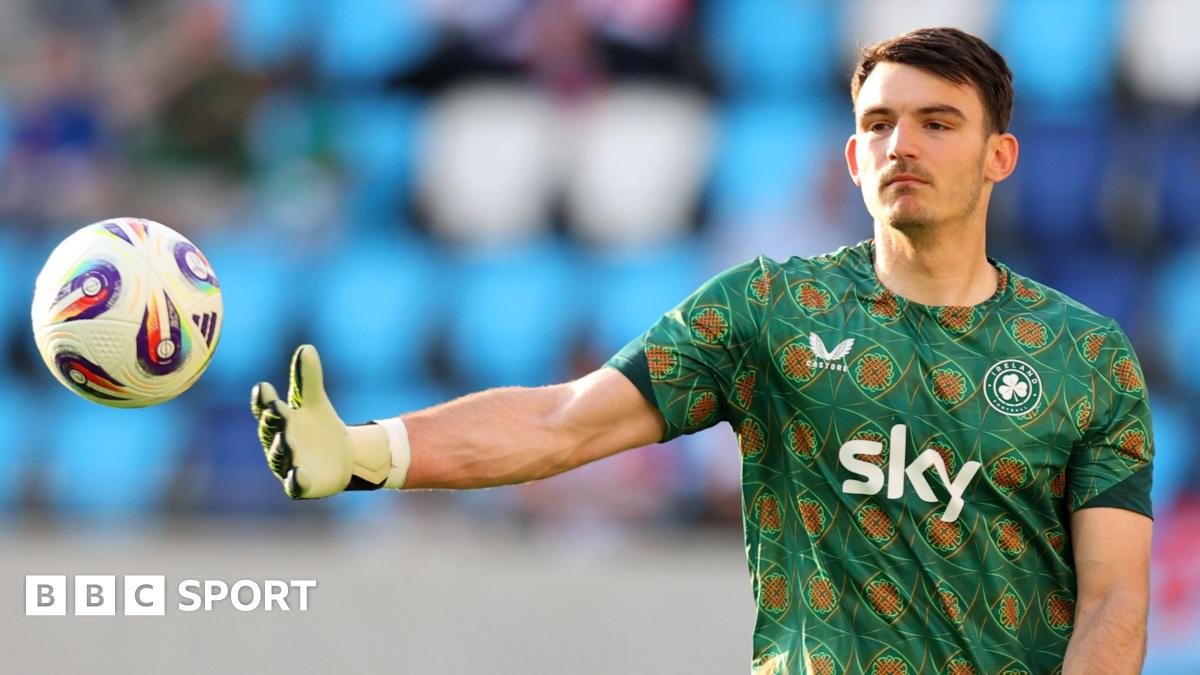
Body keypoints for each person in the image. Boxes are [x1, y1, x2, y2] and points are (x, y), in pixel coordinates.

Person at [251, 27, 1153, 675]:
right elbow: (560, 424)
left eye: (937, 122)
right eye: (879, 124)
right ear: (849, 157)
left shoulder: (1086, 356)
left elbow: (1114, 595)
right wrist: (366, 453)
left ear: (1000, 155)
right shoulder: (768, 308)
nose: (901, 144)